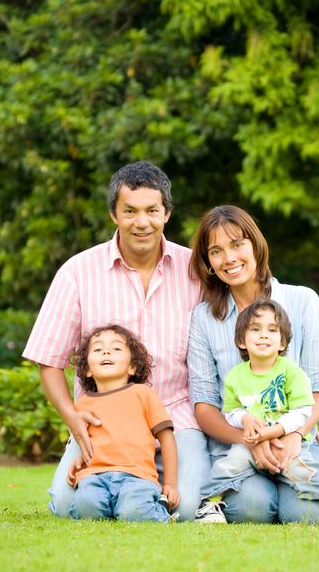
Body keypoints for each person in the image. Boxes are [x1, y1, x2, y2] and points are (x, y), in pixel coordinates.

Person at [23, 161, 210, 520]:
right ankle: (123, 492)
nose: (142, 222)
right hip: (102, 426)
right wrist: (71, 418)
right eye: (130, 211)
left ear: (166, 213)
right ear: (114, 214)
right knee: (68, 506)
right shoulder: (78, 272)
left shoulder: (196, 272)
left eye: (152, 211)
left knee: (183, 508)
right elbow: (49, 360)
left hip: (177, 420)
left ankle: (140, 490)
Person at [187, 205, 319, 525]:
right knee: (252, 509)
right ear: (208, 262)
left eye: (237, 245)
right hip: (238, 446)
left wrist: (295, 433)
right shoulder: (204, 318)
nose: (229, 258)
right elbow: (204, 405)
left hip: (294, 441)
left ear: (256, 245)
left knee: (305, 514)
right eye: (216, 251)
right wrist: (251, 441)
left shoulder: (303, 301)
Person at [195, 300, 319, 527]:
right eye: (255, 329)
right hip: (254, 445)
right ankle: (210, 503)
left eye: (272, 330)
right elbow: (231, 411)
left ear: (282, 342)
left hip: (287, 443)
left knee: (307, 472)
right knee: (231, 462)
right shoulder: (235, 377)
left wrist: (275, 432)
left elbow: (302, 411)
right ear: (241, 341)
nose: (263, 335)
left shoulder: (292, 372)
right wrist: (245, 418)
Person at [67, 324, 179, 522]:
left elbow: (167, 438)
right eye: (98, 349)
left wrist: (169, 483)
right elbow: (87, 442)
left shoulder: (142, 394)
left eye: (116, 348)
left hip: (136, 476)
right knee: (86, 507)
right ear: (87, 370)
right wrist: (78, 461)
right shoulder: (82, 404)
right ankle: (111, 510)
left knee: (133, 510)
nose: (106, 351)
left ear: (132, 367)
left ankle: (159, 510)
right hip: (94, 476)